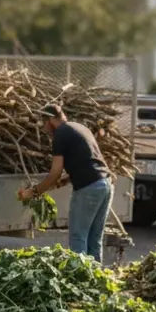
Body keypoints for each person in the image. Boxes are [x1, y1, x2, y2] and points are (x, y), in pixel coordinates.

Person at [18, 103, 112, 261]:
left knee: (78, 236)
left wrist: (33, 192)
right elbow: (89, 161)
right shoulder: (79, 127)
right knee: (94, 238)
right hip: (105, 184)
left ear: (50, 119)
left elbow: (55, 172)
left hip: (88, 188)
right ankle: (96, 280)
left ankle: (79, 279)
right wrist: (65, 180)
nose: (43, 127)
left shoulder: (60, 134)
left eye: (43, 122)